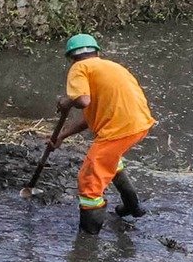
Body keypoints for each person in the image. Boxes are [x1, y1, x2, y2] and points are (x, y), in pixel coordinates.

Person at [52, 32, 153, 236]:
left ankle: (88, 239)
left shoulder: (79, 68)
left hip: (119, 128)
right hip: (139, 123)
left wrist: (66, 101)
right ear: (97, 52)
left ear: (71, 58)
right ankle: (132, 207)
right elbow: (90, 117)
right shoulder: (110, 67)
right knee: (109, 159)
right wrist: (62, 135)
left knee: (90, 179)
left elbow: (82, 101)